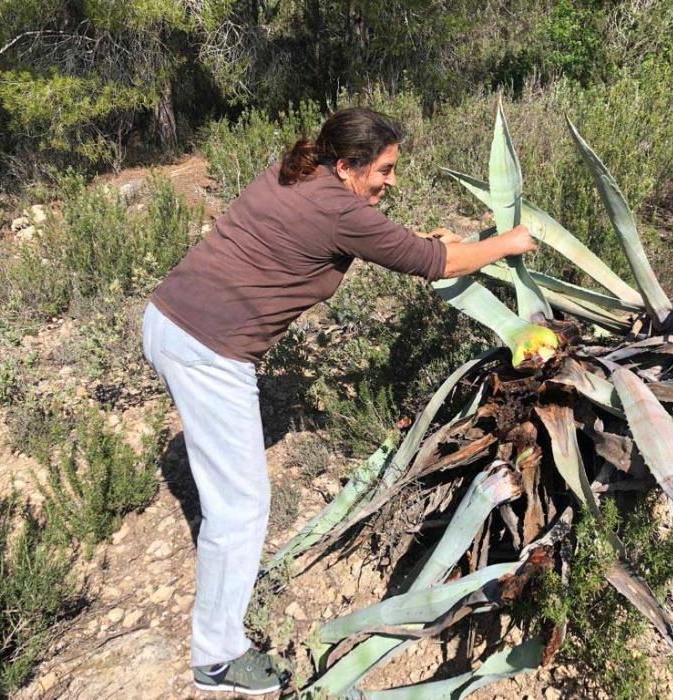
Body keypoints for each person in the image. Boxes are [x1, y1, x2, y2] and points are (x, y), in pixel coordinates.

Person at [142, 107, 535, 695]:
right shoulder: (340, 209)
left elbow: (383, 242)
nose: (392, 180)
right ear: (347, 165)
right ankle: (217, 658)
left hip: (169, 319)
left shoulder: (298, 172)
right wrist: (513, 242)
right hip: (209, 351)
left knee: (231, 495)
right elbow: (437, 264)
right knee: (241, 507)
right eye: (385, 169)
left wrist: (428, 243)